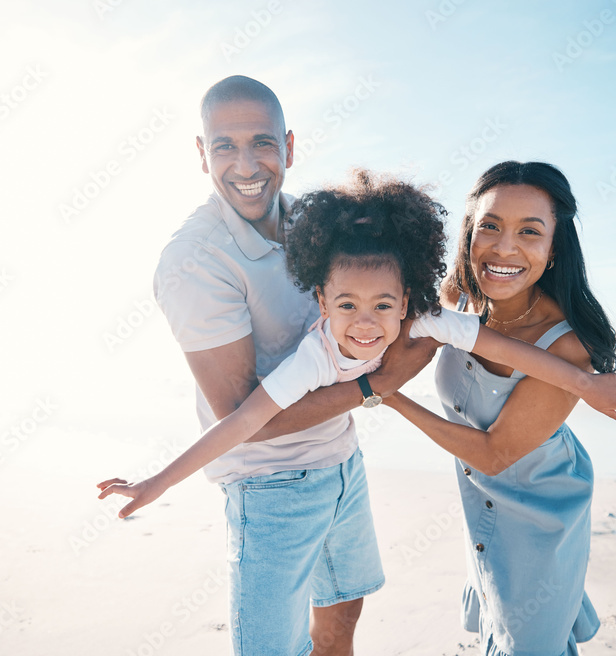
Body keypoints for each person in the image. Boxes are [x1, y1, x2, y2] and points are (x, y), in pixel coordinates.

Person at [96, 76, 437, 656]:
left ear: (290, 147)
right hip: (269, 485)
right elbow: (241, 413)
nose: (246, 163)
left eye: (263, 142)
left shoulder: (316, 221)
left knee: (338, 627)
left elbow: (397, 294)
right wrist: (377, 388)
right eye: (224, 145)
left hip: (342, 461)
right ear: (202, 155)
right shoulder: (194, 261)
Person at [98, 169, 616, 519]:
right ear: (320, 301)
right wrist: (157, 482)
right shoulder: (315, 357)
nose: (365, 324)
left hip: (527, 482)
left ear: (406, 301)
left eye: (384, 304)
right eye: (347, 305)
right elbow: (241, 423)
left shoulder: (425, 318)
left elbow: (506, 349)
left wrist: (585, 383)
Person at [383, 161, 616, 655]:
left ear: (554, 249)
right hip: (482, 501)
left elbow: (495, 454)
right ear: (470, 234)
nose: (504, 247)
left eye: (529, 232)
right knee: (508, 626)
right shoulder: (463, 293)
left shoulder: (568, 347)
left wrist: (389, 399)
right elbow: (404, 341)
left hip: (541, 505)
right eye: (490, 227)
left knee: (529, 642)